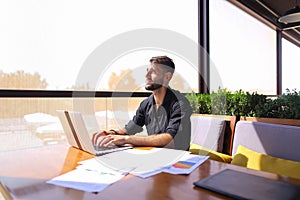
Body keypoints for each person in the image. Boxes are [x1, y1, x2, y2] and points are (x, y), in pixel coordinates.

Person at [92, 56, 193, 150]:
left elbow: (169, 139)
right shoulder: (146, 104)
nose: (147, 76)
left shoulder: (180, 103)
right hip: (155, 156)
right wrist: (111, 133)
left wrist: (126, 139)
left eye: (153, 72)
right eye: (147, 71)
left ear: (167, 77)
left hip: (178, 160)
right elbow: (129, 129)